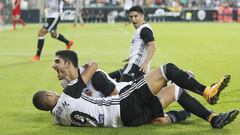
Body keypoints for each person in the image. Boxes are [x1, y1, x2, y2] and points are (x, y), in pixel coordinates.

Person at [32, 50, 239, 128]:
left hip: (128, 122)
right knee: (167, 69)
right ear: (51, 94)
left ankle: (213, 119)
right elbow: (93, 66)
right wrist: (76, 66)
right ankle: (206, 92)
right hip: (122, 104)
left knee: (175, 92)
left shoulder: (58, 119)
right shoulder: (68, 94)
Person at [109, 6, 156, 82]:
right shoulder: (140, 29)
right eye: (131, 17)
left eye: (135, 16)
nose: (133, 19)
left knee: (122, 89)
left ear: (142, 16)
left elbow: (152, 46)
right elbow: (141, 48)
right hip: (132, 65)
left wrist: (145, 63)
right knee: (107, 78)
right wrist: (130, 57)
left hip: (136, 67)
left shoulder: (144, 30)